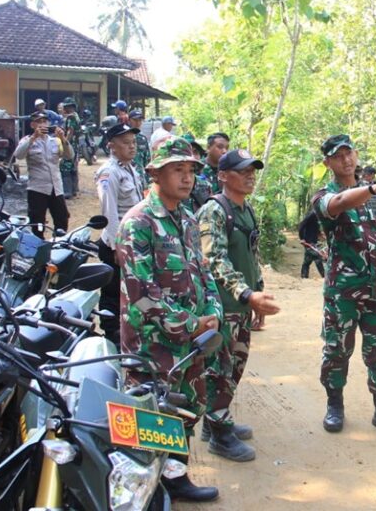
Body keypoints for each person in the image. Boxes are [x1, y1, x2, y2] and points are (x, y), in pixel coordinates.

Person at [115, 136, 222, 503]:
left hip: (188, 345)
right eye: (178, 169)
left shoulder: (188, 219)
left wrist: (213, 314)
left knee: (185, 407)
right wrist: (191, 324)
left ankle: (175, 475)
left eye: (190, 169)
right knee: (149, 413)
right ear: (156, 174)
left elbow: (203, 272)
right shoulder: (138, 223)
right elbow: (141, 292)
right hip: (152, 343)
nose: (187, 177)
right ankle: (140, 486)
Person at [312, 134, 376, 440]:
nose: (346, 159)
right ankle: (334, 405)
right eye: (338, 156)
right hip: (343, 290)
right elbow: (338, 204)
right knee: (337, 349)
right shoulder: (324, 196)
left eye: (349, 152)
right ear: (328, 162)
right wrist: (370, 188)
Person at [196, 148, 280, 461]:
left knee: (235, 367)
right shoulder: (214, 210)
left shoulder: (245, 209)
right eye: (242, 170)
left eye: (252, 170)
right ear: (222, 175)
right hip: (221, 306)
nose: (250, 176)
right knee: (220, 369)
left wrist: (257, 294)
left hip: (242, 305)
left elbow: (251, 255)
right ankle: (219, 434)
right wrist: (246, 294)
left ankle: (214, 420)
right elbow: (213, 258)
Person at [95, 122, 143, 346]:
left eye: (133, 142)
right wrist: (116, 247)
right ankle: (111, 333)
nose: (131, 147)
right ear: (112, 146)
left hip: (133, 240)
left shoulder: (131, 168)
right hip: (116, 242)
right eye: (125, 143)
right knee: (113, 290)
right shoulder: (109, 172)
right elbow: (109, 212)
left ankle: (129, 332)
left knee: (132, 288)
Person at [14, 111, 73, 238]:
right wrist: (33, 138)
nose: (42, 124)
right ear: (32, 125)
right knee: (37, 222)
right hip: (37, 188)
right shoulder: (27, 140)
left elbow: (69, 155)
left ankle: (59, 245)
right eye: (38, 122)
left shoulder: (55, 141)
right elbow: (18, 155)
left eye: (44, 121)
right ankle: (40, 251)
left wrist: (63, 139)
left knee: (62, 218)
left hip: (56, 188)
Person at [59, 97, 81, 199]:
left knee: (65, 167)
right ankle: (74, 189)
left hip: (70, 145)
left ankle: (67, 191)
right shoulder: (76, 116)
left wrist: (65, 143)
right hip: (75, 145)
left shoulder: (71, 117)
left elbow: (70, 132)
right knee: (73, 167)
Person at [298, 209, 325, 278]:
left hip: (313, 241)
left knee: (307, 260)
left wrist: (320, 234)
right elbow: (301, 225)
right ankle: (325, 277)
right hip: (308, 241)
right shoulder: (312, 214)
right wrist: (302, 238)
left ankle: (304, 277)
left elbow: (315, 226)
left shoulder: (318, 216)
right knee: (317, 257)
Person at [128, 109, 151, 190]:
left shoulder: (143, 139)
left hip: (140, 177)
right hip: (126, 176)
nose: (138, 122)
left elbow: (147, 161)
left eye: (140, 120)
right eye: (135, 120)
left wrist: (148, 181)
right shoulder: (123, 137)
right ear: (129, 120)